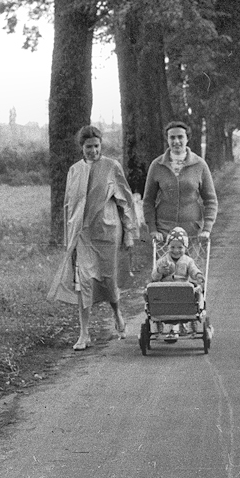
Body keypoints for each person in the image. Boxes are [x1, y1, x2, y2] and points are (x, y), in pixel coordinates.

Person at [48, 125, 138, 351]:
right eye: (89, 147)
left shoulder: (111, 167)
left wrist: (129, 233)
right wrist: (69, 237)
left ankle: (117, 314)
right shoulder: (74, 170)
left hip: (107, 234)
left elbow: (125, 202)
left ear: (101, 146)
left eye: (97, 146)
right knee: (83, 284)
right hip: (83, 236)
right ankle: (84, 333)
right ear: (82, 148)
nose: (93, 151)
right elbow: (69, 206)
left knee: (108, 280)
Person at [143, 120, 218, 243]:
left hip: (192, 230)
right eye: (172, 137)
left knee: (189, 263)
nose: (176, 141)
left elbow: (210, 200)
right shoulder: (157, 165)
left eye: (180, 137)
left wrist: (207, 228)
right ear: (167, 139)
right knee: (165, 263)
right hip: (164, 230)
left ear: (187, 138)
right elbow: (148, 200)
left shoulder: (200, 165)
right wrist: (152, 229)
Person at [149, 226, 205, 343]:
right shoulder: (163, 261)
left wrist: (198, 275)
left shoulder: (188, 261)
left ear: (185, 247)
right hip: (166, 291)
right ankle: (159, 324)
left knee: (195, 291)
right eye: (172, 247)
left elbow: (193, 270)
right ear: (167, 246)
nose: (176, 250)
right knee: (152, 291)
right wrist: (160, 271)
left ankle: (193, 317)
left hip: (182, 290)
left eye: (180, 247)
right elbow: (154, 277)